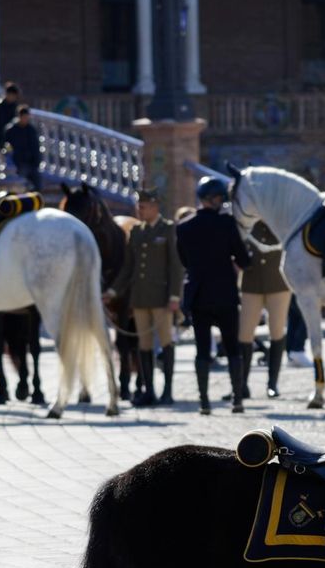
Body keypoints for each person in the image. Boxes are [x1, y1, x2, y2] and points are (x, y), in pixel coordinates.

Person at [177, 175, 251, 414]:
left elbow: (184, 260)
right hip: (225, 294)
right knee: (232, 348)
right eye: (219, 197)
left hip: (199, 295)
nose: (221, 201)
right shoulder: (227, 224)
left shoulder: (184, 227)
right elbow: (243, 259)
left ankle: (204, 402)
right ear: (212, 199)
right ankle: (237, 399)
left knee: (202, 350)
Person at [106, 190, 182, 406]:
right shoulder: (137, 232)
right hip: (139, 298)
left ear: (155, 206)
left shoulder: (167, 229)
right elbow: (128, 267)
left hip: (162, 298)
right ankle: (149, 390)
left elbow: (175, 266)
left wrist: (175, 295)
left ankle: (167, 390)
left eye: (144, 206)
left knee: (166, 343)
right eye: (139, 206)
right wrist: (112, 291)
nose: (140, 210)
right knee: (144, 345)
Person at [238, 220, 292, 399]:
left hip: (278, 283)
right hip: (251, 283)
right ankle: (242, 384)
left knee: (277, 331)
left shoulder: (279, 221)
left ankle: (272, 383)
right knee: (244, 333)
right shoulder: (245, 223)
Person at [2, 105, 43, 190]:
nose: (25, 119)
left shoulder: (31, 130)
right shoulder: (11, 130)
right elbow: (7, 147)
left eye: (27, 117)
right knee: (21, 184)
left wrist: (37, 161)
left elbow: (35, 147)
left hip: (31, 163)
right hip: (17, 163)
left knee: (38, 184)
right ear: (19, 117)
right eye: (24, 117)